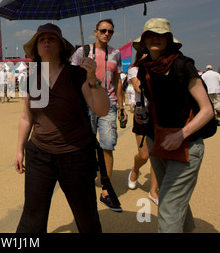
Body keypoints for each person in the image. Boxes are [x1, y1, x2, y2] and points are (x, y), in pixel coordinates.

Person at [15, 23, 110, 233]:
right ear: (37, 48)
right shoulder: (33, 79)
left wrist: (93, 79)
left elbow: (101, 109)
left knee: (86, 217)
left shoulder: (78, 75)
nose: (46, 41)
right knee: (32, 217)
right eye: (42, 39)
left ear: (61, 46)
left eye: (52, 38)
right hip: (39, 155)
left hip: (76, 154)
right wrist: (20, 149)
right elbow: (26, 117)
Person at [134, 18, 214, 233]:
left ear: (169, 40)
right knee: (174, 201)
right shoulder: (145, 68)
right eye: (150, 34)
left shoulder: (182, 64)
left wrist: (181, 134)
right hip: (157, 142)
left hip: (187, 145)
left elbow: (207, 110)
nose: (155, 38)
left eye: (160, 35)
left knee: (168, 204)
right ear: (143, 40)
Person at [71, 18, 126, 212]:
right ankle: (84, 182)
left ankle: (106, 190)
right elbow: (72, 76)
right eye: (103, 30)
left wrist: (121, 106)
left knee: (107, 145)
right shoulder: (83, 52)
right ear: (95, 32)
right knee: (85, 145)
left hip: (109, 104)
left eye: (110, 31)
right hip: (86, 105)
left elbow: (118, 81)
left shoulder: (116, 53)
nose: (106, 34)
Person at [126, 53, 159, 205]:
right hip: (142, 114)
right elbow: (139, 88)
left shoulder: (161, 67)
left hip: (159, 115)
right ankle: (135, 169)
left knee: (156, 156)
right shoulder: (135, 69)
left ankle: (153, 190)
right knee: (144, 155)